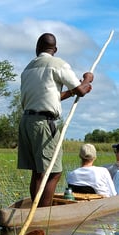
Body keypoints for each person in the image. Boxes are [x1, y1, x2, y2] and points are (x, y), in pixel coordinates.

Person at [18, 33, 94, 207]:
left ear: (37, 49)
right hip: (44, 123)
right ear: (55, 49)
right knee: (53, 173)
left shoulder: (28, 68)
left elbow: (53, 96)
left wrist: (77, 89)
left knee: (38, 172)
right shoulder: (58, 64)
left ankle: (36, 210)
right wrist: (87, 79)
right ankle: (43, 213)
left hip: (26, 122)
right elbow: (81, 90)